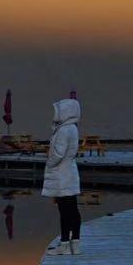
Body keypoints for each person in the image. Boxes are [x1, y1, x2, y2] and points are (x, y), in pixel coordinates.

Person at [42, 98, 82, 254]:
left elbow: (58, 153)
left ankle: (64, 243)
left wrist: (49, 162)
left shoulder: (64, 130)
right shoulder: (73, 128)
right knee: (72, 208)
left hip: (61, 172)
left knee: (64, 209)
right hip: (70, 171)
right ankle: (75, 243)